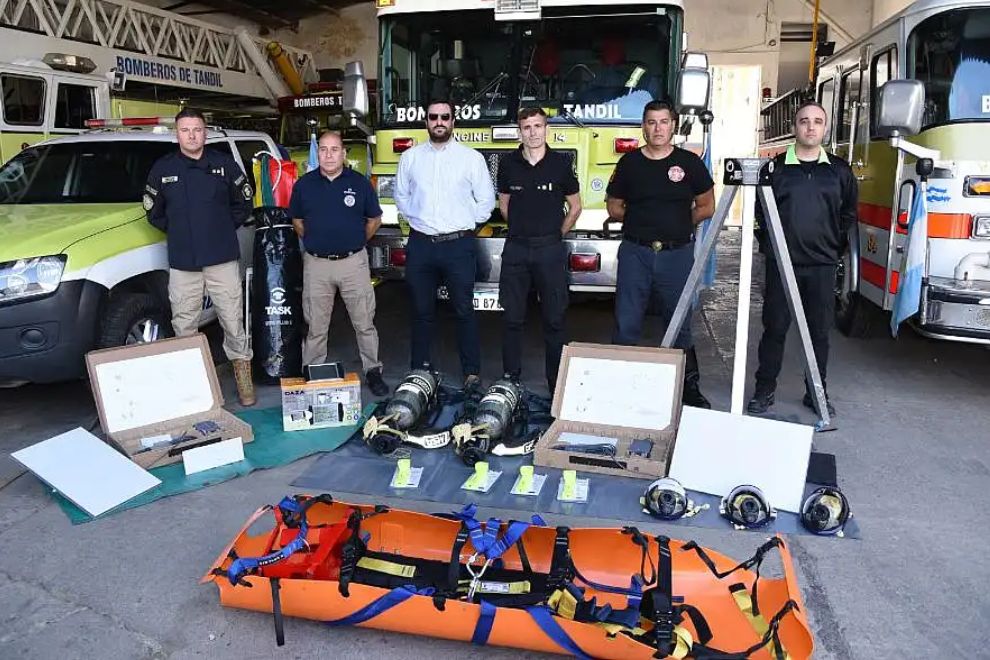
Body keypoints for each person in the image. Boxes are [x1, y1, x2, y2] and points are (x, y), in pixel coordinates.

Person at [747, 101, 857, 416]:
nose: (810, 127)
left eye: (817, 121)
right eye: (804, 121)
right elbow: (759, 214)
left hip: (821, 266)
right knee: (775, 328)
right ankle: (764, 391)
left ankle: (816, 394)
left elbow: (848, 214)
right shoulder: (776, 169)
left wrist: (832, 248)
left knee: (819, 332)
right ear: (794, 127)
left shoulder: (839, 171)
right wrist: (772, 248)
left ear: (826, 128)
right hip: (782, 265)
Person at [605, 99, 716, 408]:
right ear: (643, 127)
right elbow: (613, 206)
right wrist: (642, 221)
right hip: (635, 252)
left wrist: (678, 223)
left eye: (664, 122)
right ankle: (621, 388)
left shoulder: (689, 163)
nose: (658, 128)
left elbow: (707, 206)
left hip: (676, 254)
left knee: (679, 322)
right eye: (651, 122)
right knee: (626, 322)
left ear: (673, 126)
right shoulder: (629, 164)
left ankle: (688, 388)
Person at [145, 108, 256, 406]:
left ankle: (244, 382)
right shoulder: (163, 168)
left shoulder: (224, 164)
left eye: (197, 130)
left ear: (205, 133)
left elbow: (244, 203)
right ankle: (192, 387)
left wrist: (220, 228)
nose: (192, 135)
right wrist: (182, 231)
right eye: (185, 130)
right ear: (177, 134)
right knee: (184, 324)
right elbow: (154, 213)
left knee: (232, 319)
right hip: (184, 261)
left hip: (221, 257)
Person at [395, 99, 496, 389]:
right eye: (433, 117)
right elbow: (401, 196)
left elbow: (486, 201)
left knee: (464, 310)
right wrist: (418, 219)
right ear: (426, 121)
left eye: (445, 117)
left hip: (458, 246)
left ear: (453, 121)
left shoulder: (471, 158)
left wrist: (465, 224)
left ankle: (471, 373)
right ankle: (419, 370)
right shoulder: (410, 158)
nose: (439, 122)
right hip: (421, 244)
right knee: (421, 311)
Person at [289, 131, 389, 397]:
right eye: (323, 149)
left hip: (353, 263)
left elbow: (375, 220)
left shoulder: (359, 183)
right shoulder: (304, 185)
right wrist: (317, 242)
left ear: (344, 154)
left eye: (334, 149)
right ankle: (311, 371)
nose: (329, 155)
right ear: (318, 153)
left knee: (364, 321)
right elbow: (297, 221)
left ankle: (373, 370)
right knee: (315, 324)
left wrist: (355, 241)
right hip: (317, 265)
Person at [496, 107, 582, 394]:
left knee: (554, 319)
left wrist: (556, 235)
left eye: (537, 126)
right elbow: (504, 204)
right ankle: (510, 380)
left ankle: (555, 384)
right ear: (519, 132)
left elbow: (575, 206)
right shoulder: (508, 164)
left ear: (546, 129)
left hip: (550, 250)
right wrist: (522, 229)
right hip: (517, 250)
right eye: (527, 127)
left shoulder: (561, 163)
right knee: (511, 318)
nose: (532, 132)